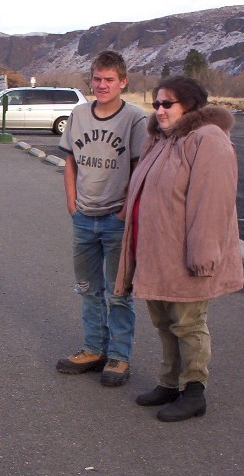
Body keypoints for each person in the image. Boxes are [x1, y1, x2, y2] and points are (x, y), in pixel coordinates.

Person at [115, 75, 244, 422]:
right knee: (163, 323)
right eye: (155, 104)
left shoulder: (208, 140)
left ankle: (194, 390)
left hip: (186, 258)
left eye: (166, 104)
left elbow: (212, 203)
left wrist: (203, 256)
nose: (158, 110)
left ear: (189, 105)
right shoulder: (161, 140)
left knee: (188, 324)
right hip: (156, 255)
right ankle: (169, 383)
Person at [56, 50, 148, 387]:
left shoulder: (135, 119)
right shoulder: (79, 113)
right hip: (83, 216)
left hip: (116, 218)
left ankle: (119, 357)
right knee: (88, 288)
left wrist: (125, 210)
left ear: (123, 82)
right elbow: (69, 161)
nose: (102, 85)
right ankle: (94, 349)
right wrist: (71, 201)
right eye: (97, 79)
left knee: (119, 291)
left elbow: (140, 167)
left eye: (110, 79)